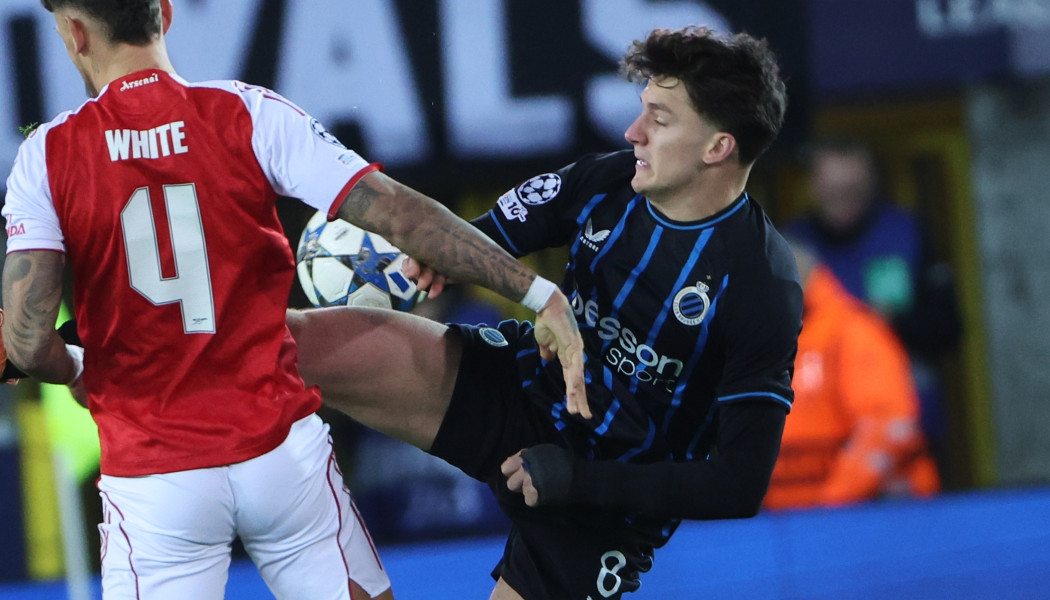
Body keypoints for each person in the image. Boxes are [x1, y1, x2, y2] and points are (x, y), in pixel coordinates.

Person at [0, 1, 583, 599]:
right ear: (166, 15)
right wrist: (537, 292)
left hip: (156, 482)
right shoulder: (248, 112)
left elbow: (26, 340)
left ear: (75, 34)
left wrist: (78, 369)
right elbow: (400, 213)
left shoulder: (47, 155)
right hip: (281, 458)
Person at [287, 25, 802, 600]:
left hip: (604, 503)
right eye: (641, 110)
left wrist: (578, 480)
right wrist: (425, 259)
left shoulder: (762, 286)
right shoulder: (606, 181)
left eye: (658, 120)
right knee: (292, 344)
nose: (633, 132)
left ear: (717, 148)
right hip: (522, 387)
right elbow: (482, 239)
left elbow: (739, 485)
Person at [783, 136, 961, 475]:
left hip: (907, 434)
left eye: (852, 190)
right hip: (818, 444)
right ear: (812, 186)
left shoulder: (906, 233)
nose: (842, 200)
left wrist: (891, 322)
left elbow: (949, 327)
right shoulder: (790, 249)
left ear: (871, 183)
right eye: (832, 190)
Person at [763, 244, 940, 511]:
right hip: (786, 522)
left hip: (868, 516)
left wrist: (830, 506)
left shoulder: (853, 332)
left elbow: (888, 428)